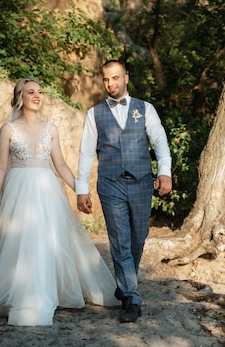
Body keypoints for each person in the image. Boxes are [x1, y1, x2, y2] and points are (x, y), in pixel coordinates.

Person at [0, 77, 119, 326]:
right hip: (18, 192)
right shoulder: (8, 129)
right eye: (31, 92)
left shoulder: (50, 129)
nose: (37, 96)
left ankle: (47, 290)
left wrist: (81, 191)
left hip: (46, 192)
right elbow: (1, 167)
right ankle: (20, 294)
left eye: (40, 92)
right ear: (20, 98)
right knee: (19, 242)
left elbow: (62, 166)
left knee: (48, 241)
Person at [76, 60, 172, 323]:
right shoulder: (94, 114)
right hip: (110, 184)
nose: (111, 84)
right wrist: (81, 189)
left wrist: (165, 171)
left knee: (138, 237)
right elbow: (86, 152)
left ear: (126, 78)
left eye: (116, 78)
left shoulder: (145, 109)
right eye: (106, 79)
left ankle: (124, 283)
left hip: (141, 182)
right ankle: (131, 297)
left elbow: (160, 140)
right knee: (120, 241)